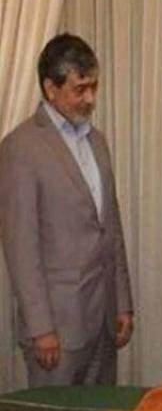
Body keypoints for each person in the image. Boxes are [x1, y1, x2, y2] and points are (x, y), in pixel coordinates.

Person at [0, 33, 134, 386]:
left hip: (103, 321)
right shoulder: (20, 148)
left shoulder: (97, 142)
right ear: (50, 88)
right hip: (57, 331)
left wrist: (122, 302)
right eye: (80, 89)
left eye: (93, 87)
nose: (90, 98)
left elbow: (112, 229)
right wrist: (41, 328)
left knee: (102, 410)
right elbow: (21, 248)